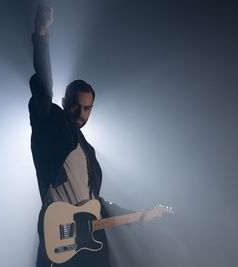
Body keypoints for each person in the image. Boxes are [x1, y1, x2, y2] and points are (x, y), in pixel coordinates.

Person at [28, 6, 150, 267]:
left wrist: (134, 216)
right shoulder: (50, 125)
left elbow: (95, 202)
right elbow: (42, 86)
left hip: (88, 243)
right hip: (58, 240)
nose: (80, 113)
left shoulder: (89, 152)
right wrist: (41, 33)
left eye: (86, 108)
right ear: (64, 101)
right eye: (74, 105)